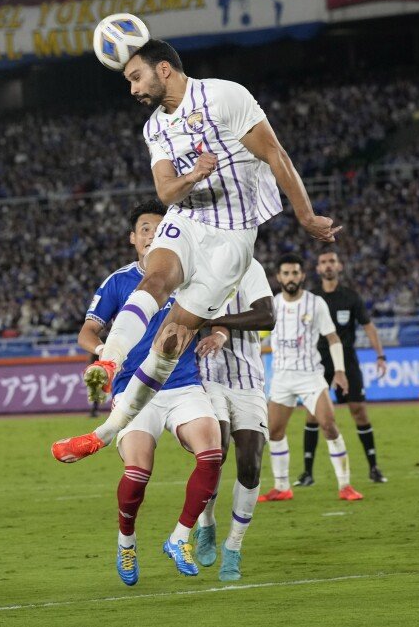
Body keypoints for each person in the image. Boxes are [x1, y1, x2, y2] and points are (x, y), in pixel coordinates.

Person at [52, 39, 339, 464]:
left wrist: (306, 215)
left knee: (170, 340)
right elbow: (166, 191)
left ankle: (106, 432)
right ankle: (109, 362)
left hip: (232, 239)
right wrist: (194, 175)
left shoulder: (224, 96)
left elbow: (275, 154)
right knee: (155, 278)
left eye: (136, 77)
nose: (131, 89)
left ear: (163, 69)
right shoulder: (155, 128)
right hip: (188, 218)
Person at [76, 198, 223, 585]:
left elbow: (218, 315)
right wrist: (104, 354)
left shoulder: (190, 275)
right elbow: (87, 332)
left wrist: (220, 333)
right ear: (133, 238)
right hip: (133, 390)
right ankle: (127, 541)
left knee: (212, 453)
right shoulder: (118, 282)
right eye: (145, 229)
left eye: (161, 228)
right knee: (139, 469)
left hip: (182, 383)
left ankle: (180, 537)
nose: (153, 234)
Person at [190, 257, 275, 581]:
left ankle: (234, 546)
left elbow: (267, 315)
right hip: (209, 376)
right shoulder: (193, 268)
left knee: (251, 465)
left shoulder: (250, 267)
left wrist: (218, 324)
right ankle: (207, 523)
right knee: (216, 452)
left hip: (249, 380)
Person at [260, 253, 363, 503]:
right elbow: (259, 338)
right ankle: (282, 487)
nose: (291, 277)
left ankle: (345, 485)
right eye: (286, 273)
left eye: (295, 272)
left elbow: (333, 338)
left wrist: (339, 371)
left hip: (310, 375)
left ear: (302, 275)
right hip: (283, 377)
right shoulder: (272, 304)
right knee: (274, 431)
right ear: (279, 277)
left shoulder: (315, 303)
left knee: (328, 425)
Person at [301, 250, 389, 486]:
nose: (328, 265)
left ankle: (374, 468)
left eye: (332, 261)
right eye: (323, 262)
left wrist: (380, 356)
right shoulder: (310, 299)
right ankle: (307, 473)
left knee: (359, 410)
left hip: (347, 360)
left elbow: (369, 327)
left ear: (339, 266)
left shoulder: (351, 297)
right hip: (318, 359)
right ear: (318, 269)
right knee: (312, 413)